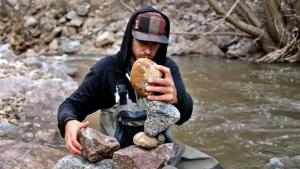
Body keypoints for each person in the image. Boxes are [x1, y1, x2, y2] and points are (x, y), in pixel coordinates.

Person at [57, 6, 223, 169]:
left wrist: (178, 98)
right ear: (130, 38)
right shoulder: (107, 69)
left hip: (163, 151)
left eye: (155, 44)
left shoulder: (166, 69)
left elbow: (185, 115)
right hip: (120, 160)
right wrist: (69, 122)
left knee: (213, 166)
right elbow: (71, 105)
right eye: (142, 42)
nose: (148, 51)